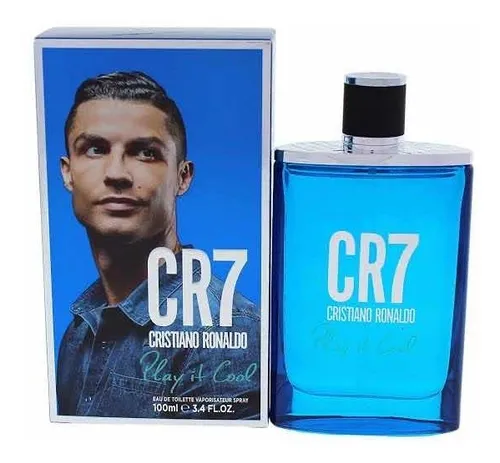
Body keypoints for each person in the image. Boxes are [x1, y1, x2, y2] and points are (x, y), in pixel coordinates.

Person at [56, 71, 260, 419]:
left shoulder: (222, 329)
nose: (116, 173)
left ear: (183, 177)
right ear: (67, 172)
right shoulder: (81, 329)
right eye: (95, 149)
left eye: (145, 153)